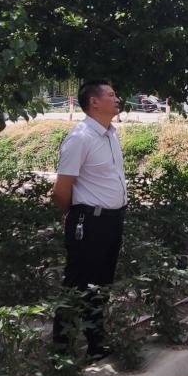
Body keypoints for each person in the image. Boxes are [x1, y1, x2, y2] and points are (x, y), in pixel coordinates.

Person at [51, 80, 128, 359]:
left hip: (112, 220)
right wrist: (70, 215)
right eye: (111, 95)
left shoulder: (110, 134)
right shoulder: (80, 137)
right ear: (94, 102)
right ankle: (61, 351)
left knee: (101, 283)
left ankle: (96, 343)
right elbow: (61, 189)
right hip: (89, 221)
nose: (117, 99)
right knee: (77, 283)